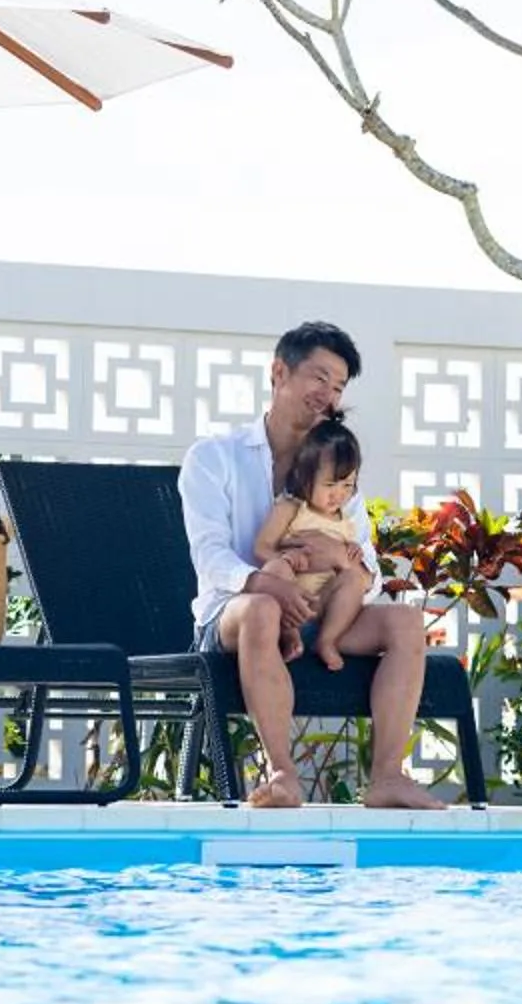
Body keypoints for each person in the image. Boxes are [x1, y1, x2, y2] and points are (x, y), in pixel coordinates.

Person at [179, 321, 445, 810]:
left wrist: (340, 565)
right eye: (319, 377)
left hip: (322, 612)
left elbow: (369, 571)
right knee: (260, 606)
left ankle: (387, 776)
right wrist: (270, 584)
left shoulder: (337, 471)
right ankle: (282, 774)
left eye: (339, 386)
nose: (327, 394)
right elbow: (211, 555)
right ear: (280, 372)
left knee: (405, 620)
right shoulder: (214, 458)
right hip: (237, 615)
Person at [251, 417, 372, 672]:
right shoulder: (291, 509)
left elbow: (356, 570)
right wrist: (287, 559)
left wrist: (351, 553)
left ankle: (327, 640)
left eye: (347, 485)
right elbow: (261, 547)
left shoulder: (346, 522)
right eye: (330, 484)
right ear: (306, 478)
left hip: (324, 602)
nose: (339, 494)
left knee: (355, 580)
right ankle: (291, 634)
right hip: (289, 596)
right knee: (275, 569)